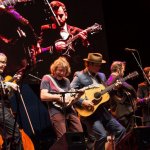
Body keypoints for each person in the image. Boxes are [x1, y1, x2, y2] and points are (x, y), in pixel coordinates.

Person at [70, 53, 126, 150]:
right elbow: (70, 92)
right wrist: (82, 102)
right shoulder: (79, 76)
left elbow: (104, 93)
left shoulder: (101, 76)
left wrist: (114, 88)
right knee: (102, 136)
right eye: (97, 65)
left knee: (121, 130)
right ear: (89, 64)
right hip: (89, 113)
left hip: (102, 112)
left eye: (100, 65)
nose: (99, 67)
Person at [39, 0, 91, 78]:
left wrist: (85, 42)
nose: (58, 19)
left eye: (61, 15)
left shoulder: (77, 31)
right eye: (55, 16)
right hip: (54, 73)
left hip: (74, 73)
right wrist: (53, 48)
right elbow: (38, 51)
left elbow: (88, 55)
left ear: (66, 15)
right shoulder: (46, 30)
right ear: (51, 17)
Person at [40, 56, 83, 141]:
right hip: (56, 110)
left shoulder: (66, 81)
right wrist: (58, 97)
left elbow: (70, 99)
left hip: (69, 110)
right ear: (54, 69)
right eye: (60, 70)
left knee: (79, 134)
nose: (62, 73)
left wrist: (78, 96)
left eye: (64, 71)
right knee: (63, 138)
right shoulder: (47, 78)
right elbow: (43, 96)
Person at [0, 53, 23, 150]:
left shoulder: (1, 77)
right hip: (1, 109)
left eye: (5, 62)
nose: (4, 65)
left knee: (9, 138)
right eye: (1, 62)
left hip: (4, 108)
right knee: (15, 133)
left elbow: (7, 95)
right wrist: (9, 83)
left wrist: (13, 82)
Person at [106, 61, 137, 132]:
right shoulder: (117, 77)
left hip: (116, 111)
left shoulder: (110, 77)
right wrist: (135, 97)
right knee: (128, 133)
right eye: (123, 70)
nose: (123, 72)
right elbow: (130, 88)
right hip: (123, 112)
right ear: (118, 70)